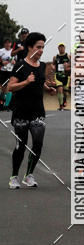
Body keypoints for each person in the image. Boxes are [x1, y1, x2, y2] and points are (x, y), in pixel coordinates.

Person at [7, 32, 57, 188]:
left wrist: (48, 88)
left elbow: (39, 81)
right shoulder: (20, 64)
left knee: (37, 144)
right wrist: (26, 82)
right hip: (21, 111)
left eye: (43, 47)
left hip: (37, 111)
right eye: (38, 47)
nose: (41, 50)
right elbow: (10, 87)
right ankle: (14, 176)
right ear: (30, 47)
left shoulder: (42, 66)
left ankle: (29, 175)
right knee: (21, 146)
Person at [52, 43, 71, 110]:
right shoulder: (55, 57)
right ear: (58, 48)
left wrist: (67, 66)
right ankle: (61, 106)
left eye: (62, 47)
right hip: (58, 75)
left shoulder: (68, 56)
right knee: (60, 90)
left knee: (65, 92)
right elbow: (53, 64)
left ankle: (65, 101)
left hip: (66, 76)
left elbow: (72, 64)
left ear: (64, 48)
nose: (61, 48)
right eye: (60, 47)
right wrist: (53, 67)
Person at [0, 38, 15, 110]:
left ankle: (7, 105)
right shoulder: (1, 51)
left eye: (9, 43)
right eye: (6, 43)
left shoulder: (13, 51)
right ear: (4, 44)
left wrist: (14, 62)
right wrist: (2, 63)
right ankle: (2, 102)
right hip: (3, 71)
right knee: (3, 88)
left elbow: (16, 61)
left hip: (10, 71)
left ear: (11, 44)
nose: (7, 44)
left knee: (9, 87)